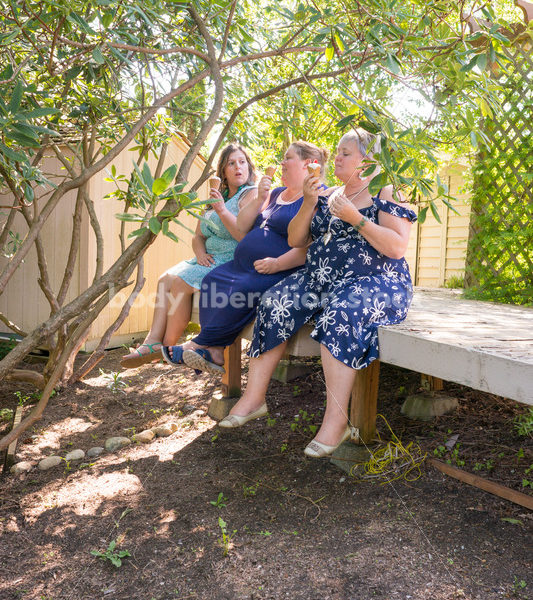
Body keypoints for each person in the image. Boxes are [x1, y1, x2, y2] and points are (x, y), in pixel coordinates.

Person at [216, 129, 417, 458]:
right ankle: (253, 399)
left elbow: (396, 247)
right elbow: (297, 241)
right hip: (324, 278)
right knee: (274, 300)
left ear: (367, 163)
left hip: (376, 280)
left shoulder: (387, 191)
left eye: (345, 153)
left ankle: (335, 423)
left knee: (341, 315)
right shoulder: (330, 193)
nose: (335, 158)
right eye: (337, 151)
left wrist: (356, 219)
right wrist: (309, 202)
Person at [162, 141, 329, 373]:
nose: (282, 162)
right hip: (243, 264)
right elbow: (242, 224)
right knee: (212, 281)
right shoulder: (277, 193)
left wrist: (277, 263)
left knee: (241, 290)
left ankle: (200, 342)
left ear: (308, 165)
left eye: (288, 158)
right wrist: (261, 197)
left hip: (277, 268)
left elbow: (312, 246)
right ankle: (216, 351)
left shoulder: (317, 197)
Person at [120, 143, 257, 368]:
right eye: (231, 163)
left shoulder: (249, 195)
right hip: (206, 258)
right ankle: (152, 342)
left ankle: (167, 347)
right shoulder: (216, 196)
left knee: (180, 283)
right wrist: (200, 252)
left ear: (249, 168)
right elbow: (197, 236)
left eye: (242, 162)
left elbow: (243, 236)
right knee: (165, 278)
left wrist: (221, 209)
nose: (237, 167)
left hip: (229, 260)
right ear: (223, 171)